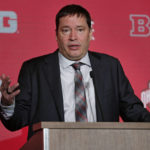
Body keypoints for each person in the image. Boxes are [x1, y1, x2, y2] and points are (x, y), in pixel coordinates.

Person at [0, 4, 150, 140]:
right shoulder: (34, 69)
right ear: (56, 34)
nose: (73, 37)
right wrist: (7, 104)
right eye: (66, 30)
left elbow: (133, 111)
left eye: (80, 30)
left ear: (90, 33)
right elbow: (16, 122)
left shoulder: (110, 66)